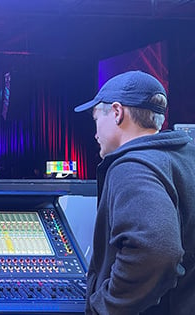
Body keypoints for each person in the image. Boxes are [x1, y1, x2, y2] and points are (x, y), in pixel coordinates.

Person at [74, 70, 195, 315]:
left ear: (117, 113)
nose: (96, 134)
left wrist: (106, 306)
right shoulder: (186, 156)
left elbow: (157, 251)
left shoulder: (131, 167)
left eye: (97, 119)